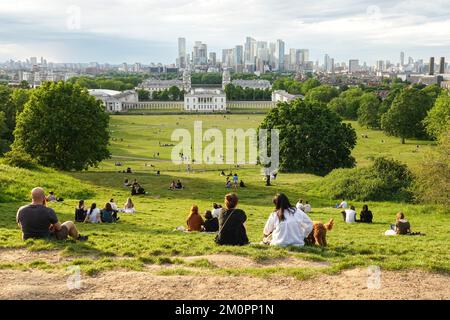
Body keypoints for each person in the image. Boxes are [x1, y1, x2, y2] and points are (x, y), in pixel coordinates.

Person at [16, 187, 88, 241]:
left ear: (32, 197)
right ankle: (78, 237)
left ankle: (78, 237)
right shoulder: (48, 211)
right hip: (47, 238)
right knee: (70, 223)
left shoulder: (21, 209)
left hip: (27, 238)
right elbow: (59, 228)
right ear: (44, 198)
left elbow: (20, 225)